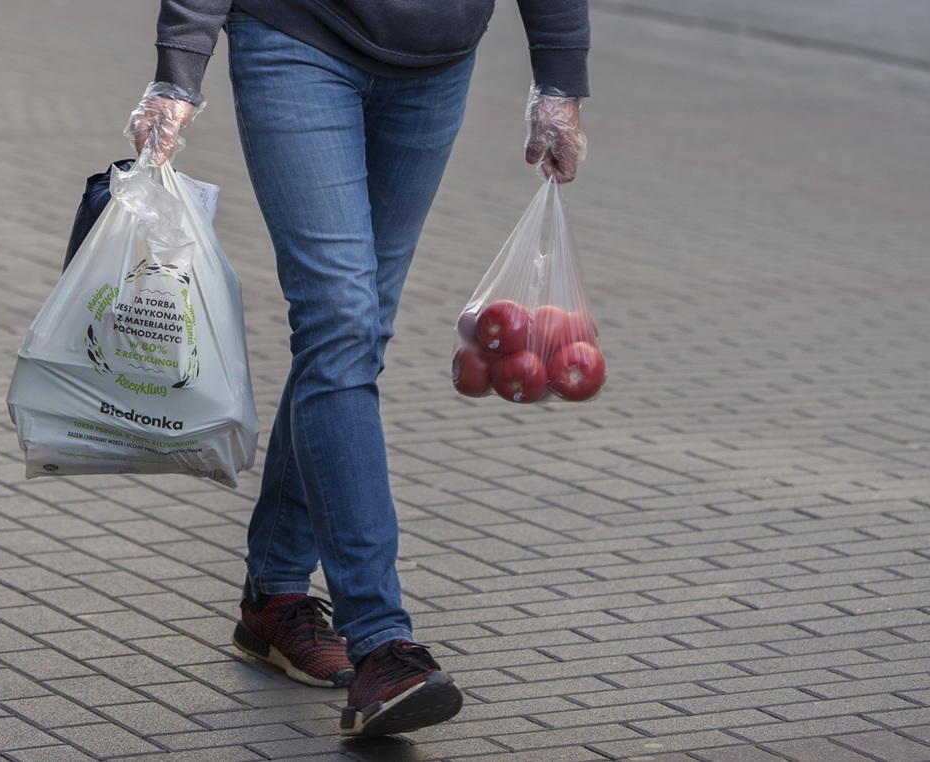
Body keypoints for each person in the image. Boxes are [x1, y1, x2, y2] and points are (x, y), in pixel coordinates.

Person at [127, 0, 589, 737]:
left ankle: (275, 595)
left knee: (353, 332)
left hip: (434, 68)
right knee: (339, 320)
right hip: (296, 38)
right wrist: (178, 72)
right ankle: (381, 642)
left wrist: (558, 81)